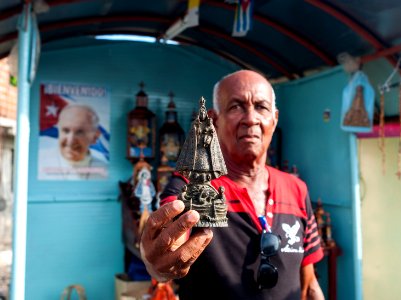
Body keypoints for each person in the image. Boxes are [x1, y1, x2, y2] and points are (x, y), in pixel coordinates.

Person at [140, 70, 324, 299]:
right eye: (236, 106)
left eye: (261, 107)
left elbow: (308, 284)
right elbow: (164, 255)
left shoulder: (296, 189)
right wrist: (155, 262)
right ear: (214, 120)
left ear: (274, 119)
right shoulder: (190, 187)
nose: (250, 118)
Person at [39, 104, 108, 180]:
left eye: (79, 132)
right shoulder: (38, 163)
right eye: (66, 130)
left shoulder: (105, 172)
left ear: (95, 136)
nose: (70, 140)